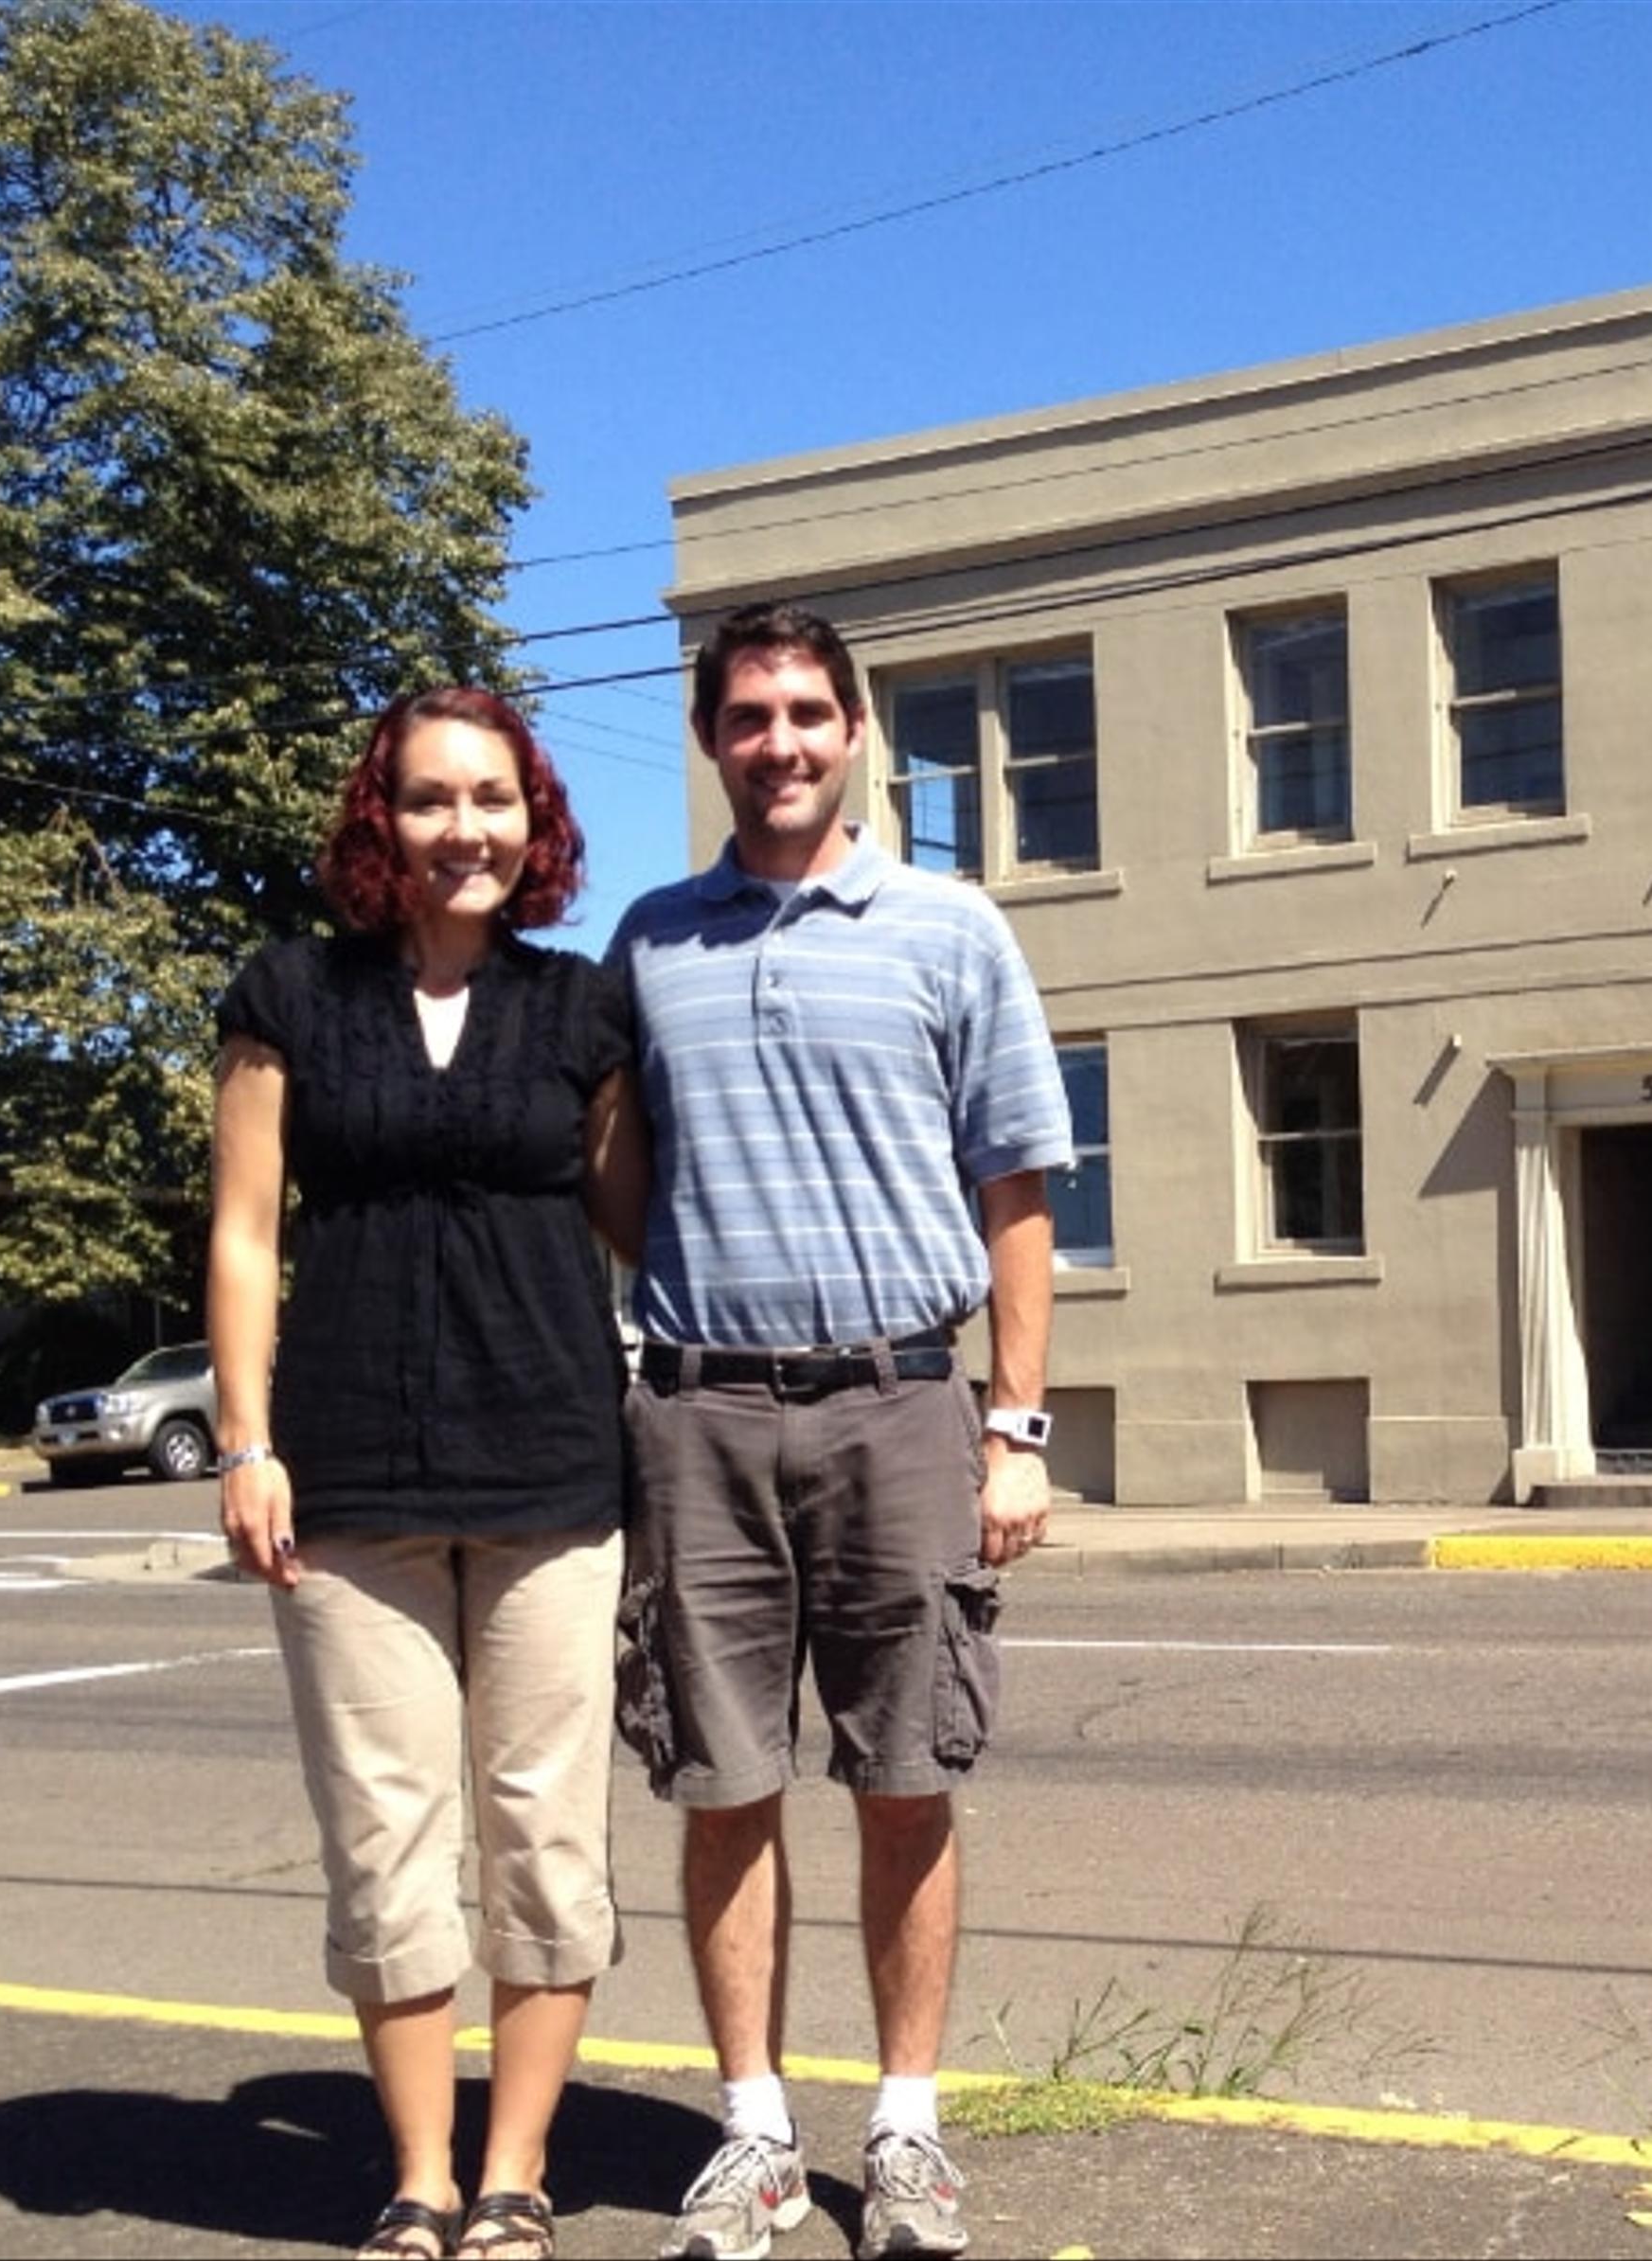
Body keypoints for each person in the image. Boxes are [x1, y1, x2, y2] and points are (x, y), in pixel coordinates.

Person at [594, 602, 1071, 2261]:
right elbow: (611, 1178)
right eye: (747, 715)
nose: (779, 741)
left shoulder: (952, 928)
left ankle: (910, 2133)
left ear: (856, 730)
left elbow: (1018, 1199)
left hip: (901, 1404)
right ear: (713, 740)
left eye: (807, 711)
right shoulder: (649, 944)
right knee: (720, 1783)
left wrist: (1015, 1427)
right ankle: (754, 2137)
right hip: (700, 1413)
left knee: (907, 1774)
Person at [208, 685, 635, 2261]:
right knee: (384, 1836)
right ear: (377, 820)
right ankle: (419, 2172)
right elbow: (247, 1235)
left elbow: (642, 1231)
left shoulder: (583, 1009)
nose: (467, 828)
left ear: (537, 824)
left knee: (545, 1831)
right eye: (435, 799)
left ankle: (516, 2171)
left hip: (553, 1470)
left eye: (496, 799)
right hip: (350, 1483)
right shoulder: (290, 998)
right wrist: (246, 1444)